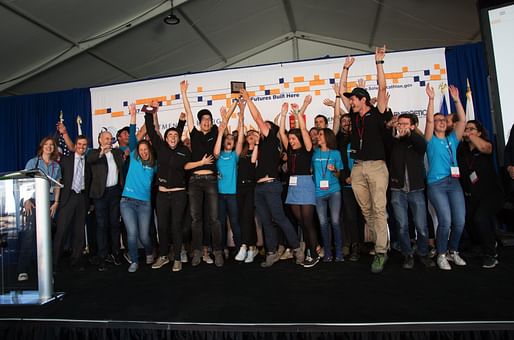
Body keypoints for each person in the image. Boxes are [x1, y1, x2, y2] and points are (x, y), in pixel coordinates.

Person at [339, 48, 392, 273]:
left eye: (353, 99)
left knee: (379, 209)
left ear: (363, 100)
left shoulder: (377, 112)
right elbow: (341, 90)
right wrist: (345, 68)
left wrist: (378, 61)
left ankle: (381, 251)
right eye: (350, 99)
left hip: (377, 166)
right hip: (358, 168)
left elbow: (382, 87)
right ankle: (383, 241)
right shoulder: (353, 115)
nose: (350, 101)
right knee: (366, 210)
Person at [241, 88, 304, 268]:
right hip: (258, 188)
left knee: (279, 218)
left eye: (265, 127)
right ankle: (271, 253)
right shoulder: (262, 146)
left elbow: (258, 118)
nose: (261, 129)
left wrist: (248, 99)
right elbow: (253, 163)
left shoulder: (271, 141)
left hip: (270, 185)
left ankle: (296, 248)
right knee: (266, 222)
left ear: (270, 130)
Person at [181, 80, 228, 267]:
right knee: (195, 219)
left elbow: (216, 153)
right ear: (200, 123)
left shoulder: (215, 132)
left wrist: (223, 127)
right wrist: (183, 93)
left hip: (210, 180)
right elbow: (189, 113)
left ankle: (217, 252)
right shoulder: (194, 133)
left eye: (209, 120)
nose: (207, 122)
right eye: (204, 120)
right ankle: (198, 252)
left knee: (214, 218)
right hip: (194, 181)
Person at [424, 83, 467, 270]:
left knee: (460, 221)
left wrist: (457, 100)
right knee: (446, 221)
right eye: (437, 120)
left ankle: (453, 251)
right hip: (436, 184)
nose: (441, 121)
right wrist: (432, 100)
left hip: (454, 183)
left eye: (443, 119)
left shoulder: (452, 140)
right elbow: (429, 122)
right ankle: (441, 253)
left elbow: (463, 121)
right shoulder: (429, 140)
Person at [145, 104, 192, 272]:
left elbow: (177, 135)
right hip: (162, 195)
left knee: (176, 226)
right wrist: (150, 112)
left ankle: (178, 258)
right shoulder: (160, 147)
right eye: (169, 135)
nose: (172, 137)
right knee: (163, 227)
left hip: (179, 194)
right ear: (165, 138)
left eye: (175, 135)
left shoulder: (184, 151)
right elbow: (151, 130)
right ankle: (164, 256)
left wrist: (181, 123)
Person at [386, 114, 435, 269]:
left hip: (416, 189)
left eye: (405, 124)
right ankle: (407, 254)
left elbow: (423, 145)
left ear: (413, 126)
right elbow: (385, 144)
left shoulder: (417, 141)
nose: (401, 126)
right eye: (399, 124)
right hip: (397, 189)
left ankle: (423, 253)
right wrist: (391, 128)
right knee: (402, 225)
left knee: (421, 225)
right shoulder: (393, 142)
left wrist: (410, 135)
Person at [279, 96, 319, 267]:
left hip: (305, 185)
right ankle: (309, 248)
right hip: (292, 187)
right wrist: (283, 115)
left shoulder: (308, 149)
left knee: (308, 222)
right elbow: (281, 133)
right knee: (301, 222)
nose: (292, 141)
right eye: (291, 139)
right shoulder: (290, 149)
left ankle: (313, 254)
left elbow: (303, 130)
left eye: (294, 139)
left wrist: (300, 111)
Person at [457, 120, 503, 268]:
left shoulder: (486, 145)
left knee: (480, 218)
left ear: (479, 133)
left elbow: (484, 147)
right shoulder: (461, 150)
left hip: (491, 194)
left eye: (471, 129)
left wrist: (470, 135)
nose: (467, 131)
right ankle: (479, 246)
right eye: (466, 129)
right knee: (468, 219)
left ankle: (491, 253)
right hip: (471, 196)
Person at [18, 137, 61, 281]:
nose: (49, 147)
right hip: (34, 202)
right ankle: (22, 270)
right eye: (46, 145)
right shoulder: (33, 162)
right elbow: (24, 182)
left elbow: (56, 186)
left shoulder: (56, 166)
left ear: (54, 148)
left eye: (51, 145)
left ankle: (45, 271)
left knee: (46, 238)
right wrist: (26, 200)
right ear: (42, 147)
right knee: (29, 235)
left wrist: (56, 202)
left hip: (48, 203)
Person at [120, 104, 157, 273]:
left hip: (144, 204)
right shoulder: (134, 157)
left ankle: (150, 251)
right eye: (140, 149)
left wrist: (154, 115)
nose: (142, 152)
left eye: (145, 149)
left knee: (144, 235)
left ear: (149, 150)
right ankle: (134, 261)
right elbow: (134, 135)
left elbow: (156, 134)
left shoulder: (154, 164)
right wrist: (133, 115)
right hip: (127, 201)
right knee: (132, 234)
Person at [87, 130, 125, 271]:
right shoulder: (93, 153)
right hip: (100, 195)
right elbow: (90, 161)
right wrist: (101, 152)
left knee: (115, 224)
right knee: (101, 226)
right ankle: (102, 256)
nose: (109, 141)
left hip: (115, 192)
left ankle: (115, 253)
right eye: (106, 138)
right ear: (100, 140)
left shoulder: (117, 153)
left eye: (110, 138)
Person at [53, 135, 90, 272]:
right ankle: (54, 263)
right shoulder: (65, 160)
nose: (82, 147)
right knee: (61, 231)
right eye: (79, 144)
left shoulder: (88, 161)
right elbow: (58, 179)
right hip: (67, 198)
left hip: (81, 198)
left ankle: (76, 261)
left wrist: (89, 202)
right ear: (75, 145)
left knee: (79, 232)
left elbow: (90, 182)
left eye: (84, 145)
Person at [214, 101, 245, 257]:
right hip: (219, 195)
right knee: (220, 224)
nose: (229, 140)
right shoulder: (218, 155)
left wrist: (241, 114)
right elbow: (223, 133)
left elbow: (240, 138)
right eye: (227, 139)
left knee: (235, 223)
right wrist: (223, 119)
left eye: (231, 140)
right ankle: (223, 249)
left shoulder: (234, 156)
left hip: (232, 195)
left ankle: (240, 248)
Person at [312, 128, 344, 264]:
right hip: (319, 192)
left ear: (327, 137)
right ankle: (328, 253)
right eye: (318, 135)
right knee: (323, 223)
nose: (318, 137)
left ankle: (339, 253)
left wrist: (335, 170)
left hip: (334, 190)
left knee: (335, 222)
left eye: (320, 135)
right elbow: (311, 171)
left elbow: (339, 174)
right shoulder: (314, 153)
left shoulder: (336, 153)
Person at [235, 129, 260, 263]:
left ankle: (244, 245)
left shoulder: (259, 150)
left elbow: (253, 161)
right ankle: (252, 247)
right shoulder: (242, 152)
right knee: (243, 217)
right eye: (249, 134)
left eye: (254, 134)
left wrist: (256, 144)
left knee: (247, 216)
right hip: (239, 187)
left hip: (251, 187)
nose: (251, 136)